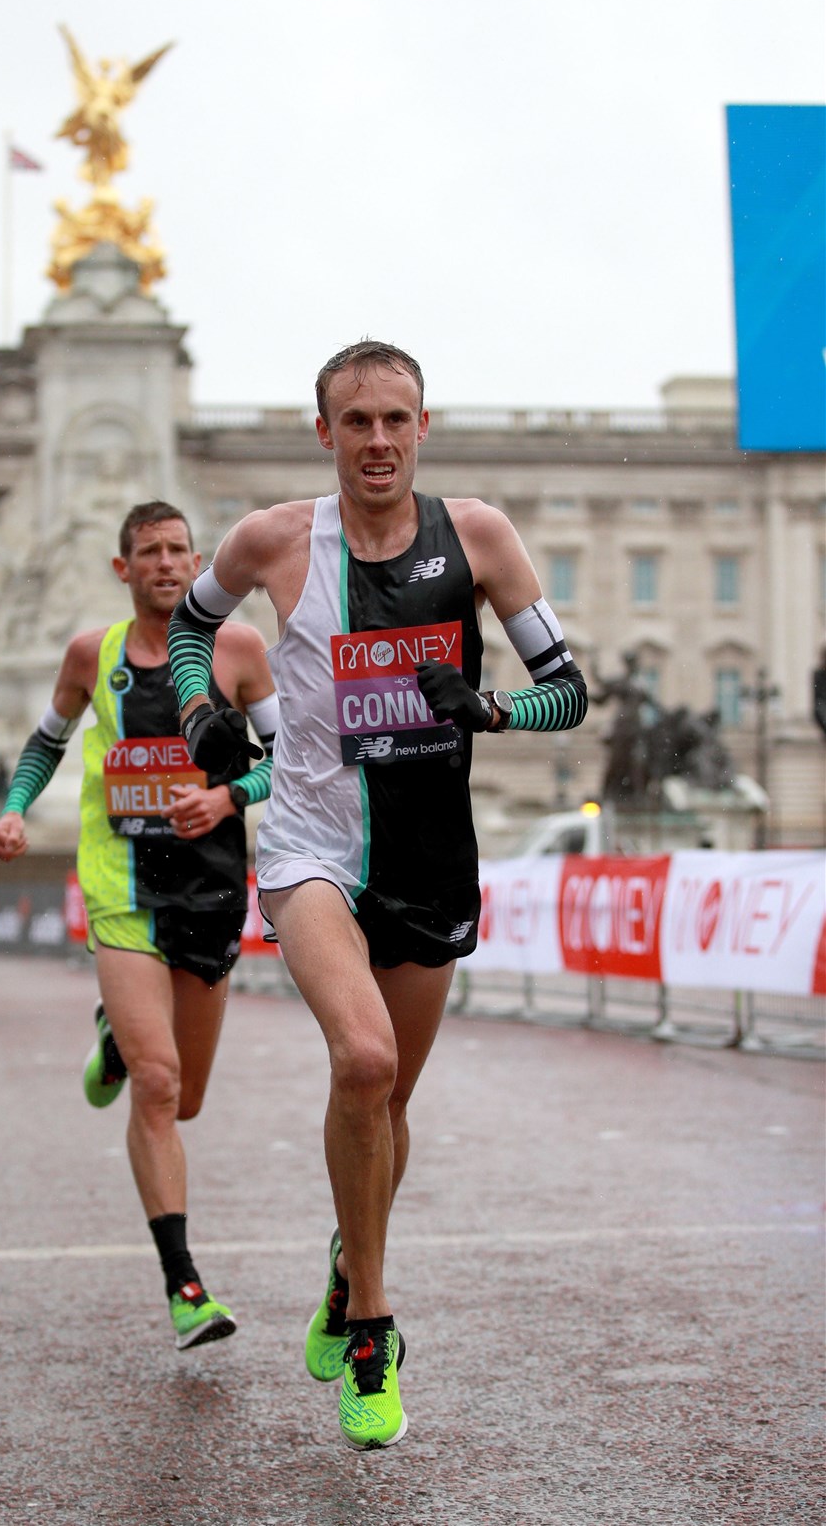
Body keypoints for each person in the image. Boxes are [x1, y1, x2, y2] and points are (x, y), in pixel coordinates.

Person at [167, 341, 588, 1448]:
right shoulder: (273, 538)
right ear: (325, 434)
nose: (378, 441)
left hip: (428, 858)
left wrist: (491, 711)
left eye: (396, 419)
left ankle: (347, 1257)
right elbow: (189, 626)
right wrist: (199, 713)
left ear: (423, 425)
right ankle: (373, 1326)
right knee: (365, 1060)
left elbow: (571, 693)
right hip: (311, 848)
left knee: (388, 1109)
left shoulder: (480, 535)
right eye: (355, 421)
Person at [0, 500, 277, 1351]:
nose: (164, 563)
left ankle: (116, 1035)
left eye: (178, 550)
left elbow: (293, 763)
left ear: (198, 562)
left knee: (185, 1095)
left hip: (213, 888)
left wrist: (228, 794)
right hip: (121, 884)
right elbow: (46, 742)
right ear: (123, 569)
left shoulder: (240, 651)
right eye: (147, 552)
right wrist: (13, 810)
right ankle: (185, 1284)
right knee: (156, 1082)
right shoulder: (92, 655)